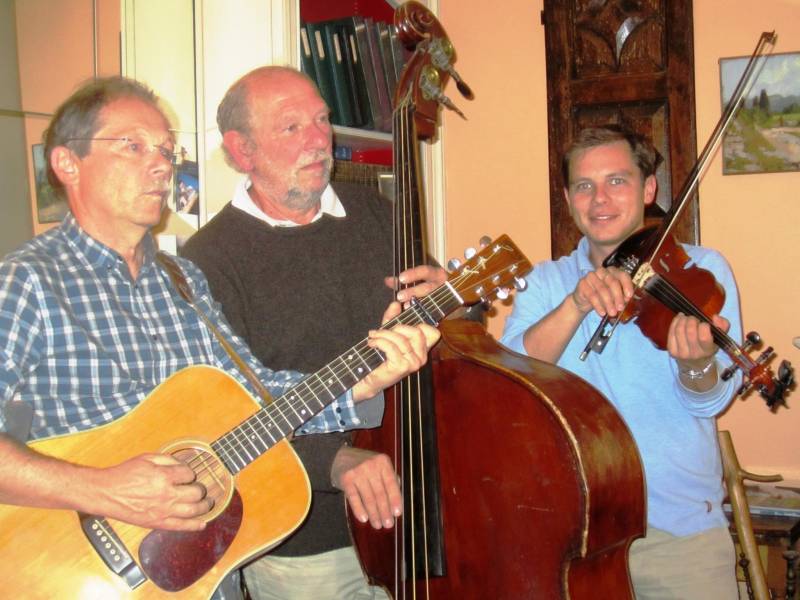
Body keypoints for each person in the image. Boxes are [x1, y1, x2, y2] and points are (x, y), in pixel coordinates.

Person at [0, 76, 439, 596]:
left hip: (204, 572)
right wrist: (102, 490)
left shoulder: (181, 280)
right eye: (133, 146)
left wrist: (365, 379)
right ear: (67, 163)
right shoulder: (26, 282)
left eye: (166, 150)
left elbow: (251, 397)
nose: (161, 165)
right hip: (76, 572)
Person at [181, 65, 447, 600]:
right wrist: (333, 461)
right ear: (241, 150)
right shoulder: (206, 261)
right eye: (291, 126)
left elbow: (442, 345)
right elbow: (225, 416)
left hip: (425, 499)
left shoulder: (378, 213)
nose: (318, 139)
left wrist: (451, 300)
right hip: (308, 537)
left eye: (322, 120)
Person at [500, 125, 742, 599]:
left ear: (648, 189)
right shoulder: (544, 282)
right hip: (570, 534)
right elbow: (510, 380)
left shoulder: (700, 272)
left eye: (617, 181)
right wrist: (575, 304)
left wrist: (695, 365)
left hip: (678, 535)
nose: (600, 200)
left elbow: (709, 401)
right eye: (584, 186)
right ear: (568, 199)